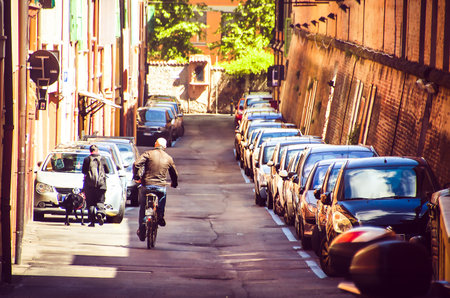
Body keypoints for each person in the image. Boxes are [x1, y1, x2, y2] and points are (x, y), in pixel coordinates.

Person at [133, 138, 178, 241]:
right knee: (162, 196)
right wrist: (174, 184)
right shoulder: (168, 158)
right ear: (165, 147)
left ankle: (142, 228)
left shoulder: (148, 154)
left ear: (155, 144)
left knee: (143, 207)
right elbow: (174, 173)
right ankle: (160, 215)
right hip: (160, 186)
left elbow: (136, 164)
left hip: (146, 185)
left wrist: (137, 177)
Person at [82, 144, 109, 227]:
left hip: (89, 186)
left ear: (90, 151)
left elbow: (83, 171)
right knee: (100, 201)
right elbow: (107, 170)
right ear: (97, 150)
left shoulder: (87, 159)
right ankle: (100, 213)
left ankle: (92, 222)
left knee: (90, 204)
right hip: (101, 185)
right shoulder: (103, 159)